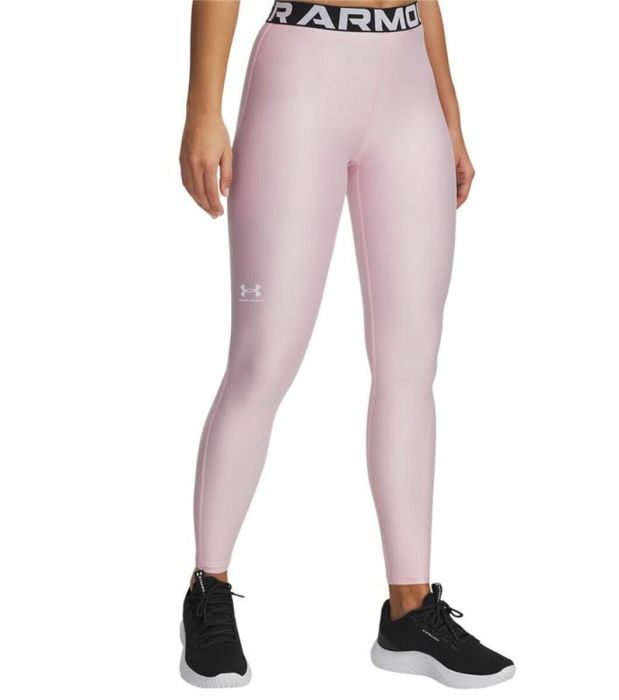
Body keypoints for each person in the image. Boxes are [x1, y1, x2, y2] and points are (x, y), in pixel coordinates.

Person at [178, 0, 514, 689]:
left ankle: (410, 613)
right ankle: (207, 590)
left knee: (411, 363)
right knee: (264, 358)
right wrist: (203, 109)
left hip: (408, 80)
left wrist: (448, 111)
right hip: (301, 69)